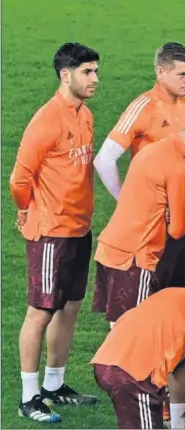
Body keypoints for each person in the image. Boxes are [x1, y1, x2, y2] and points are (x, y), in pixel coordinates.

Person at [9, 42, 100, 423]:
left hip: (80, 229)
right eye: (87, 72)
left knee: (69, 308)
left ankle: (54, 385)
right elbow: (19, 179)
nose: (96, 78)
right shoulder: (46, 120)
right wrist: (28, 211)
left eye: (96, 71)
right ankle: (29, 398)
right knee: (41, 312)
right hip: (52, 232)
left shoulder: (85, 114)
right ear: (66, 75)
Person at [92, 111, 185, 325]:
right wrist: (179, 214)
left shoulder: (151, 149)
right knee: (136, 335)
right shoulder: (178, 166)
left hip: (111, 251)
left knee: (119, 332)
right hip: (136, 257)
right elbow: (178, 229)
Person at [93, 42, 185, 292]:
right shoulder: (143, 107)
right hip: (154, 223)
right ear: (160, 72)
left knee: (174, 299)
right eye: (182, 74)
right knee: (144, 301)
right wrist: (127, 200)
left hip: (184, 219)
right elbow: (104, 159)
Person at [91, 268, 185, 429]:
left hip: (106, 361)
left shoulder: (174, 295)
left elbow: (180, 362)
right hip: (134, 376)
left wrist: (166, 415)